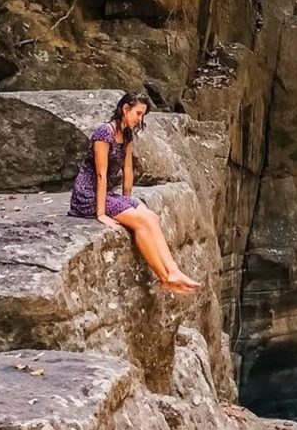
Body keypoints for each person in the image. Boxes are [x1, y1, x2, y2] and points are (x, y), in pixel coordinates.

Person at [68, 91, 201, 294]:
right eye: (137, 114)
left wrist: (127, 202)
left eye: (142, 115)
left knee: (152, 217)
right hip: (88, 194)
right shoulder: (104, 134)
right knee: (141, 222)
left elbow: (128, 170)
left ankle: (173, 270)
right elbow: (101, 174)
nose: (139, 119)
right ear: (125, 109)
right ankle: (164, 277)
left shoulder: (127, 134)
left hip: (108, 193)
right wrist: (101, 214)